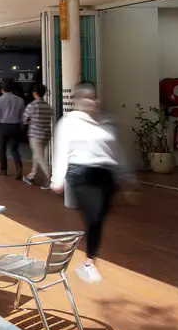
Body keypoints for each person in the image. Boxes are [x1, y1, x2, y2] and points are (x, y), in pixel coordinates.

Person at [50, 82, 134, 283]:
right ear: (78, 101)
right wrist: (57, 178)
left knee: (100, 218)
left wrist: (126, 175)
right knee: (94, 215)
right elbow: (61, 151)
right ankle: (89, 262)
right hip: (81, 174)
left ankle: (89, 261)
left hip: (106, 175)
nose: (91, 101)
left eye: (93, 97)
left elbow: (116, 151)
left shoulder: (106, 122)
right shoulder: (68, 122)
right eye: (86, 98)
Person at [0, 81, 25, 179]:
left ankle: (3, 170)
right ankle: (19, 167)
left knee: (2, 149)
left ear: (2, 90)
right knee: (14, 149)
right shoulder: (20, 100)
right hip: (15, 126)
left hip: (3, 126)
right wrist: (21, 125)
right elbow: (22, 114)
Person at [22, 83, 53, 188]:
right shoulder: (47, 106)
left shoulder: (32, 106)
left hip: (35, 135)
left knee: (39, 156)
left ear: (34, 93)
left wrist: (30, 122)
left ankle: (51, 179)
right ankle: (31, 176)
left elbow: (24, 119)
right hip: (46, 134)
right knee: (37, 154)